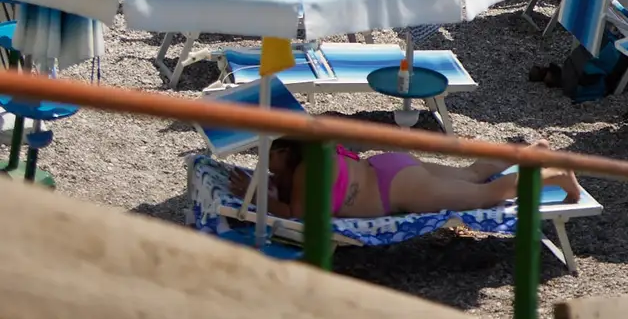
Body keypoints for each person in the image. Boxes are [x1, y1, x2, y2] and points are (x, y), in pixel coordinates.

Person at [236, 138, 581, 219]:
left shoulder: (304, 173)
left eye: (271, 158)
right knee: (472, 175)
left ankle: (556, 174)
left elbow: (296, 215)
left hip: (396, 188)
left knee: (484, 195)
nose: (267, 164)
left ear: (286, 154)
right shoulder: (317, 150)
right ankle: (530, 150)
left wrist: (252, 198)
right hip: (390, 168)